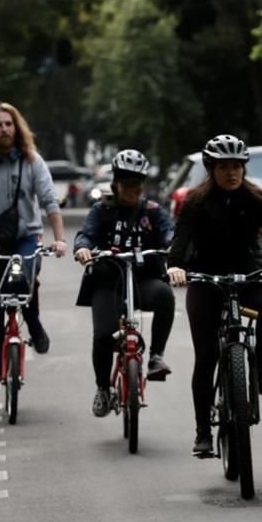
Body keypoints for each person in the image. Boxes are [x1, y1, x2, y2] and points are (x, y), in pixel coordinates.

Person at [166, 134, 262, 456]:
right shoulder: (196, 202)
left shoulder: (258, 200)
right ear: (212, 169)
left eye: (237, 166)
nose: (232, 173)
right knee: (207, 356)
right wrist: (175, 266)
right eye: (224, 167)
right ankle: (202, 432)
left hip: (248, 272)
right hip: (206, 277)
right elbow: (180, 241)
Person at [0, 102, 67, 402]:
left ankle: (33, 323)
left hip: (25, 239)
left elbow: (49, 202)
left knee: (24, 283)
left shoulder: (33, 161)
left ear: (16, 127)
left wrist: (59, 240)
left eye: (9, 124)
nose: (4, 129)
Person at [73, 149, 176, 417]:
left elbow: (169, 233)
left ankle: (155, 357)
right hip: (108, 283)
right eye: (127, 182)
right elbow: (86, 235)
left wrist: (172, 246)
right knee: (103, 334)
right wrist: (83, 249)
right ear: (115, 183)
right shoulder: (102, 210)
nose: (133, 188)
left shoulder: (153, 212)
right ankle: (102, 389)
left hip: (143, 280)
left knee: (165, 295)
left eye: (138, 183)